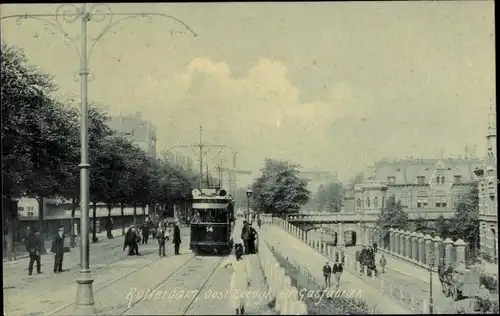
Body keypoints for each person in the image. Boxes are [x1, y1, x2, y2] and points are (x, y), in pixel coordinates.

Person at [221, 243, 252, 315]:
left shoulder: (232, 258)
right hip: (243, 278)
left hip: (235, 278)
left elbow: (222, 265)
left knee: (235, 295)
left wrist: (229, 266)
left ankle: (237, 310)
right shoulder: (246, 259)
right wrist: (249, 280)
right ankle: (242, 309)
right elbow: (249, 271)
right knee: (242, 294)